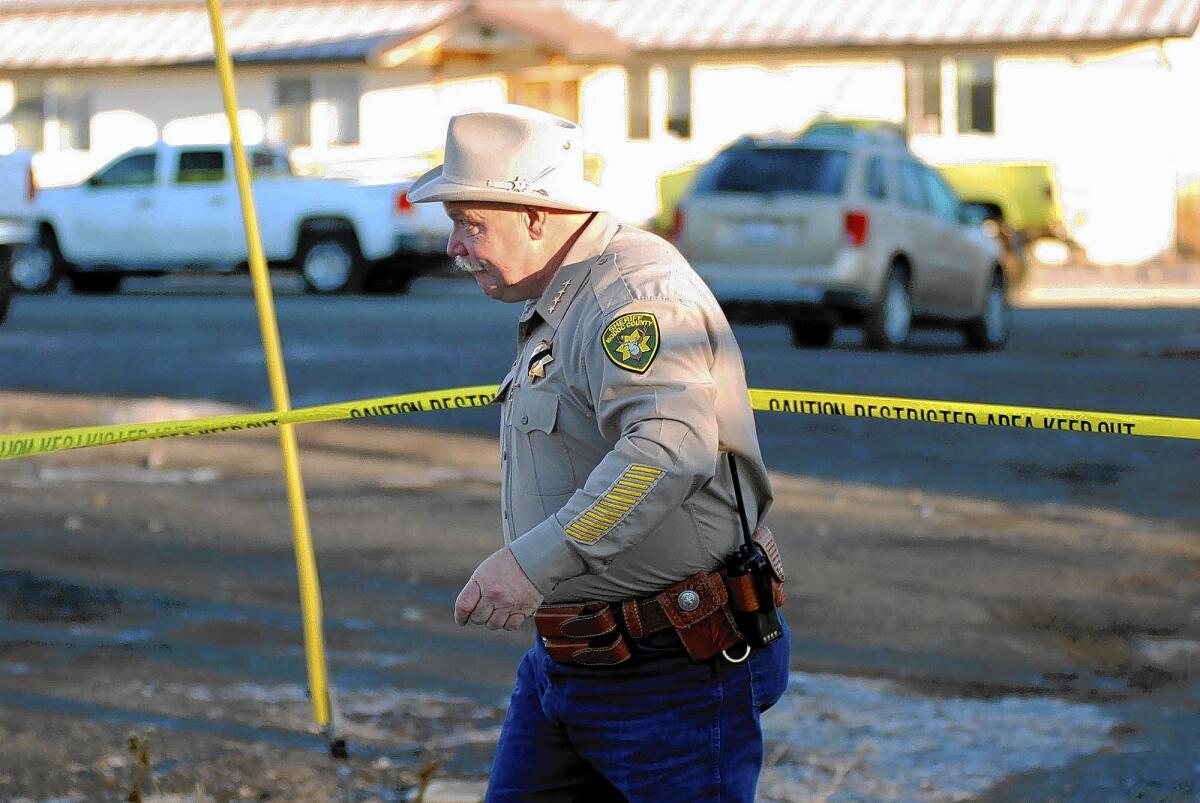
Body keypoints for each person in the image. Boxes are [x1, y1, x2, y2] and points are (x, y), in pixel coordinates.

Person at [408, 104, 790, 802]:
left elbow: (666, 451)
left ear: (535, 215)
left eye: (470, 223)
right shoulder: (569, 294)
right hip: (573, 659)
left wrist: (532, 562)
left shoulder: (634, 297)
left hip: (669, 667)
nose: (454, 246)